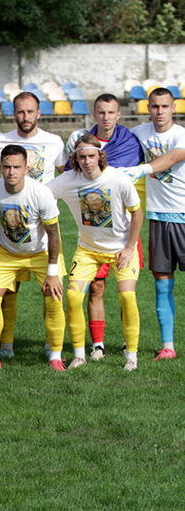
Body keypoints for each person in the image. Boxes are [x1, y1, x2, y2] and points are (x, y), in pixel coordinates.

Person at [47, 134, 147, 371]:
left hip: (121, 249)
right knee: (72, 297)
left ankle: (131, 356)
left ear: (100, 156)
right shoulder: (67, 180)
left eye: (91, 156)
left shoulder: (118, 179)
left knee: (127, 297)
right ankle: (79, 355)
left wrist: (129, 247)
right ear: (75, 158)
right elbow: (40, 195)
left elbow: (137, 213)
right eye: (82, 157)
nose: (87, 161)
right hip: (88, 251)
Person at [0, 91, 67, 357]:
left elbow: (67, 175)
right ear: (13, 113)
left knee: (51, 293)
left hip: (43, 230)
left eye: (30, 111)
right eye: (20, 111)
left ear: (39, 113)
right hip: (10, 236)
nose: (25, 116)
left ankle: (52, 348)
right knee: (5, 294)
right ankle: (4, 347)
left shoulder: (54, 142)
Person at [65, 93, 144, 359]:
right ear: (94, 114)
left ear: (119, 114)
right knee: (95, 288)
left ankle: (128, 344)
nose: (106, 117)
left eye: (111, 112)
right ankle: (97, 345)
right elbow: (68, 175)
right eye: (101, 112)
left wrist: (130, 245)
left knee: (127, 293)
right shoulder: (82, 144)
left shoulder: (129, 143)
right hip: (92, 239)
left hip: (123, 236)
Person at [131, 87, 185, 360]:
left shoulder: (181, 134)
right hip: (159, 218)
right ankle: (168, 346)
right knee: (162, 282)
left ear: (174, 108)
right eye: (155, 106)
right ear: (148, 108)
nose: (160, 111)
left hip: (184, 215)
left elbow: (174, 157)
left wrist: (144, 168)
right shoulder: (140, 133)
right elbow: (114, 138)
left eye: (165, 106)